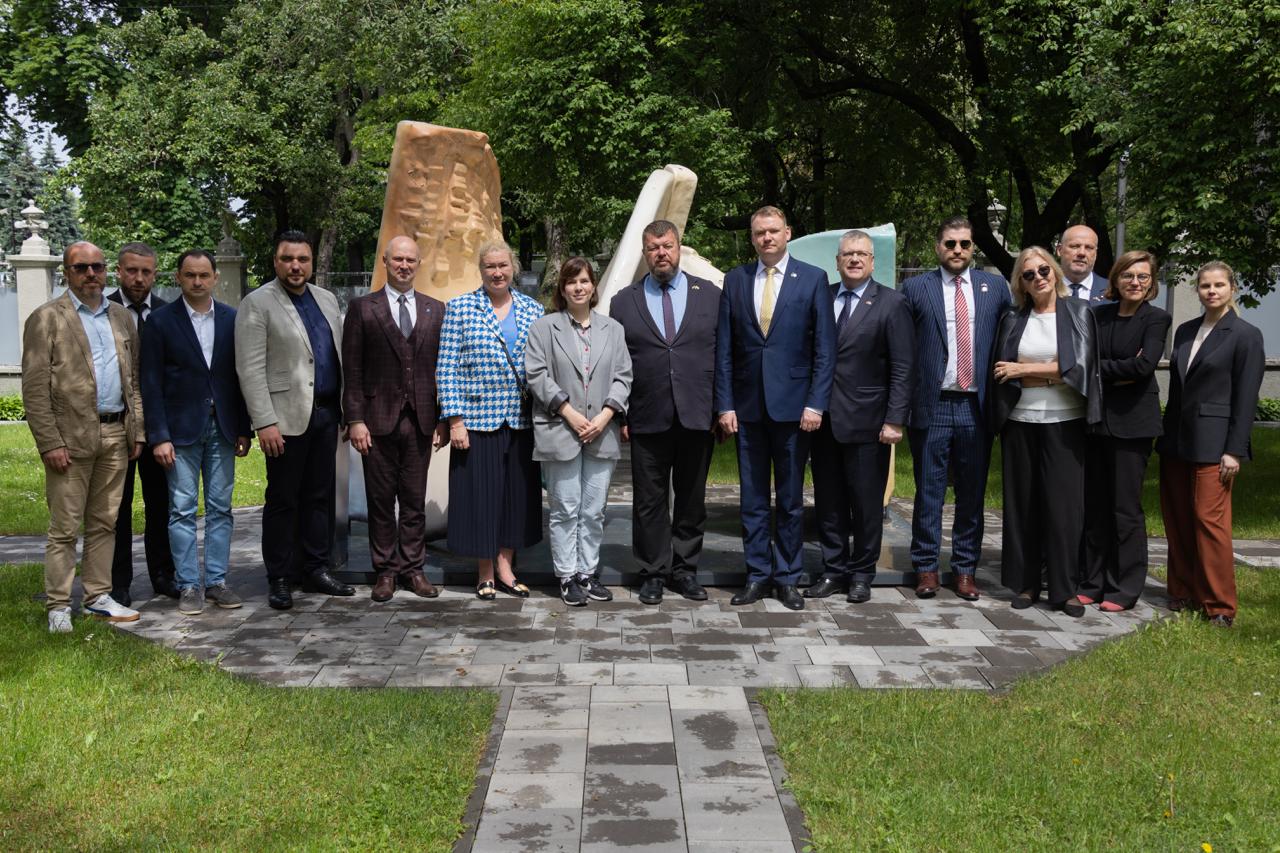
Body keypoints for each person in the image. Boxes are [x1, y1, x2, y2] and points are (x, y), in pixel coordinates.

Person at [715, 206, 835, 610]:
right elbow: (725, 350)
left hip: (795, 410)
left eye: (772, 231)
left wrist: (816, 403)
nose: (766, 238)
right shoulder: (735, 280)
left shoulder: (813, 279)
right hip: (747, 410)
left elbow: (824, 350)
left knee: (789, 499)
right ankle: (756, 574)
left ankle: (787, 577)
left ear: (788, 233)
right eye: (758, 233)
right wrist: (724, 405)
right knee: (751, 499)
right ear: (752, 238)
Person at [22, 241, 144, 631]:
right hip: (69, 439)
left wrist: (137, 430)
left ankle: (97, 597)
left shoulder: (121, 317)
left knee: (105, 522)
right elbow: (34, 390)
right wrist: (50, 443)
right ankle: (58, 606)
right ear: (67, 273)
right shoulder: (46, 318)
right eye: (81, 268)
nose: (91, 274)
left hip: (115, 434)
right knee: (64, 528)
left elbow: (132, 380)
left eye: (97, 267)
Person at [235, 230, 354, 610]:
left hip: (326, 415)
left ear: (311, 261)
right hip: (284, 421)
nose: (295, 266)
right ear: (276, 261)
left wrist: (346, 411)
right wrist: (264, 422)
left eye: (302, 259)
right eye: (288, 259)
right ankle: (280, 576)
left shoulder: (326, 299)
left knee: (319, 496)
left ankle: (316, 568)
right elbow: (250, 369)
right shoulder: (257, 303)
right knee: (283, 500)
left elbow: (335, 356)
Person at [608, 221, 720, 605]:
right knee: (649, 501)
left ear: (678, 247)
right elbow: (617, 363)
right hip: (646, 413)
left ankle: (685, 570)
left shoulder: (710, 296)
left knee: (691, 498)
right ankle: (653, 572)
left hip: (697, 413)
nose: (661, 253)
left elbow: (723, 355)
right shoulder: (624, 302)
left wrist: (722, 408)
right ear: (645, 253)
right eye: (653, 247)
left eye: (667, 246)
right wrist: (621, 415)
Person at [901, 217, 1011, 600]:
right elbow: (902, 346)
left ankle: (965, 569)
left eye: (964, 243)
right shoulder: (916, 288)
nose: (958, 250)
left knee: (971, 493)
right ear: (938, 247)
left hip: (975, 406)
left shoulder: (995, 289)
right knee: (928, 492)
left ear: (973, 247)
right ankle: (926, 568)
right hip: (931, 404)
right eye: (950, 243)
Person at [139, 249, 253, 615]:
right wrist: (159, 436)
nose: (198, 281)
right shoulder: (160, 322)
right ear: (178, 277)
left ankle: (217, 581)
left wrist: (243, 427)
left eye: (204, 275)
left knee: (221, 508)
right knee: (182, 509)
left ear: (215, 277)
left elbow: (241, 377)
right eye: (190, 275)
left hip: (223, 428)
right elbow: (150, 384)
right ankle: (188, 584)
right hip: (179, 433)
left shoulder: (233, 319)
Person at [990, 247, 1101, 617]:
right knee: (1023, 506)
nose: (1038, 278)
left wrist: (1025, 371)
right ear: (1020, 283)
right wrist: (1052, 371)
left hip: (1065, 421)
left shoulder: (1079, 312)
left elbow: (1079, 368)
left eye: (1043, 270)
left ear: (1055, 272)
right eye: (1028, 274)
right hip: (1020, 421)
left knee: (1063, 509)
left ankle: (1064, 589)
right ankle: (1026, 584)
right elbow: (1000, 369)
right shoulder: (1012, 317)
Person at [806, 230, 914, 604]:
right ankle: (833, 570)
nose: (854, 259)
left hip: (869, 422)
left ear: (871, 261)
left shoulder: (892, 303)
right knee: (828, 501)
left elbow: (903, 366)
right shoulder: (821, 297)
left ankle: (862, 574)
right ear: (837, 261)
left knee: (866, 505)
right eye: (847, 254)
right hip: (823, 421)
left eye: (861, 254)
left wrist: (895, 418)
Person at [1158, 261, 1265, 627]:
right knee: (1177, 518)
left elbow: (1246, 398)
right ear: (1198, 290)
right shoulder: (1185, 330)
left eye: (1219, 285)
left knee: (1209, 520)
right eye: (1205, 285)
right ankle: (1183, 590)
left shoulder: (1246, 335)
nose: (1212, 291)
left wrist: (1234, 449)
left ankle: (1219, 606)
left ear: (1232, 288)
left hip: (1216, 443)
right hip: (1176, 439)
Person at [436, 241, 544, 600]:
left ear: (513, 267)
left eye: (502, 265)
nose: (497, 273)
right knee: (480, 498)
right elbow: (446, 368)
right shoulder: (460, 308)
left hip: (521, 421)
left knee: (516, 497)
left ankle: (506, 567)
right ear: (480, 270)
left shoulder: (533, 309)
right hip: (476, 422)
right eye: (490, 267)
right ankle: (484, 572)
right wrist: (454, 420)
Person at [341, 236, 446, 602]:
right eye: (398, 259)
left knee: (415, 500)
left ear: (419, 264)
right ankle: (385, 571)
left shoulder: (435, 309)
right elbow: (352, 369)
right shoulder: (362, 308)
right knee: (381, 500)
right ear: (385, 261)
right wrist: (355, 419)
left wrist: (443, 418)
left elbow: (443, 369)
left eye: (410, 260)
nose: (404, 265)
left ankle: (414, 569)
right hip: (376, 421)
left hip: (421, 420)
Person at [526, 257, 633, 606]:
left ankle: (587, 572)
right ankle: (567, 575)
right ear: (562, 287)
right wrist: (570, 413)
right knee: (565, 508)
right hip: (560, 428)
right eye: (571, 282)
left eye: (584, 281)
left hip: (601, 431)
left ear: (593, 286)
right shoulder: (544, 328)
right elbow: (536, 375)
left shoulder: (613, 330)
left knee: (594, 509)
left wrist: (605, 416)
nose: (578, 287)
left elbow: (623, 376)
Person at [1076, 251, 1171, 611]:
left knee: (1124, 509)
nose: (1135, 282)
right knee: (1095, 507)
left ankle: (1124, 588)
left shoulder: (1157, 318)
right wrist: (1118, 369)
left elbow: (1144, 367)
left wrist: (1102, 369)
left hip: (1134, 426)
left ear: (1152, 283)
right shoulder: (1098, 315)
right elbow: (1083, 361)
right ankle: (1092, 581)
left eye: (1143, 277)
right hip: (1096, 420)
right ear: (1115, 279)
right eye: (1128, 276)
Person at [106, 241, 177, 604]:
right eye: (132, 270)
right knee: (117, 507)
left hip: (160, 426)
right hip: (117, 425)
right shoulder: (102, 310)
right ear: (119, 271)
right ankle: (118, 582)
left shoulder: (167, 313)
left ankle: (163, 575)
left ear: (155, 274)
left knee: (161, 503)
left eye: (146, 271)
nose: (138, 278)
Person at [1057, 224, 1109, 303]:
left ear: (1096, 254)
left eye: (1089, 248)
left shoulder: (1113, 291)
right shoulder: (1043, 289)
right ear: (1059, 250)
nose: (1082, 253)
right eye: (1075, 246)